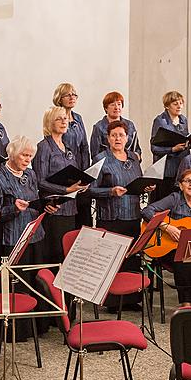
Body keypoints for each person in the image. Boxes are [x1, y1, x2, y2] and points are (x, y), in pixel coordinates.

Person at [0, 135, 53, 338]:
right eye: (24, 155)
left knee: (36, 280)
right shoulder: (0, 177)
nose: (28, 159)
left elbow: (35, 198)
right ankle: (18, 331)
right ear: (12, 154)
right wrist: (14, 209)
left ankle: (39, 326)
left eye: (30, 156)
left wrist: (47, 205)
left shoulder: (31, 173)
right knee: (19, 282)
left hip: (34, 232)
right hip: (13, 235)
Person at [142, 169, 191, 306]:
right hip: (172, 248)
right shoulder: (175, 198)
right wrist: (167, 227)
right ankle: (187, 304)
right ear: (180, 185)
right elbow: (147, 211)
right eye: (187, 181)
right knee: (184, 259)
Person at [91, 120, 155, 272]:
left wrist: (146, 188)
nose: (117, 139)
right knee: (110, 264)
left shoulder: (133, 158)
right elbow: (90, 190)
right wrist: (110, 191)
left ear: (127, 138)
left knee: (131, 262)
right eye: (113, 135)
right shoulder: (100, 159)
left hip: (132, 217)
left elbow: (138, 183)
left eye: (121, 135)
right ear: (108, 138)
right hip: (110, 219)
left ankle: (132, 295)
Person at [33, 106, 90, 264]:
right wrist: (65, 189)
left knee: (68, 254)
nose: (64, 121)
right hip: (54, 209)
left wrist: (82, 184)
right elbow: (39, 180)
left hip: (70, 208)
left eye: (65, 118)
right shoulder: (43, 147)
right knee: (55, 253)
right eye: (59, 118)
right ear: (49, 123)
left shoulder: (69, 148)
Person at [53, 83, 92, 229]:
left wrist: (86, 173)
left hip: (80, 171)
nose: (72, 97)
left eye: (74, 94)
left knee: (84, 216)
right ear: (59, 98)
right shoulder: (55, 117)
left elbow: (84, 147)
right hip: (65, 172)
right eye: (68, 94)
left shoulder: (78, 118)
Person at [150, 90, 190, 202]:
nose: (179, 106)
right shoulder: (160, 121)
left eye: (181, 103)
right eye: (175, 104)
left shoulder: (183, 120)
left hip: (181, 167)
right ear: (167, 106)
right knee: (165, 201)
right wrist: (172, 149)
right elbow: (154, 148)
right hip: (165, 170)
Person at [90, 91, 141, 160]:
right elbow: (95, 154)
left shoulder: (130, 125)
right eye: (112, 104)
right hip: (108, 166)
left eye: (119, 104)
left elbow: (136, 149)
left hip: (128, 164)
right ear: (106, 108)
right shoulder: (98, 127)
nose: (117, 107)